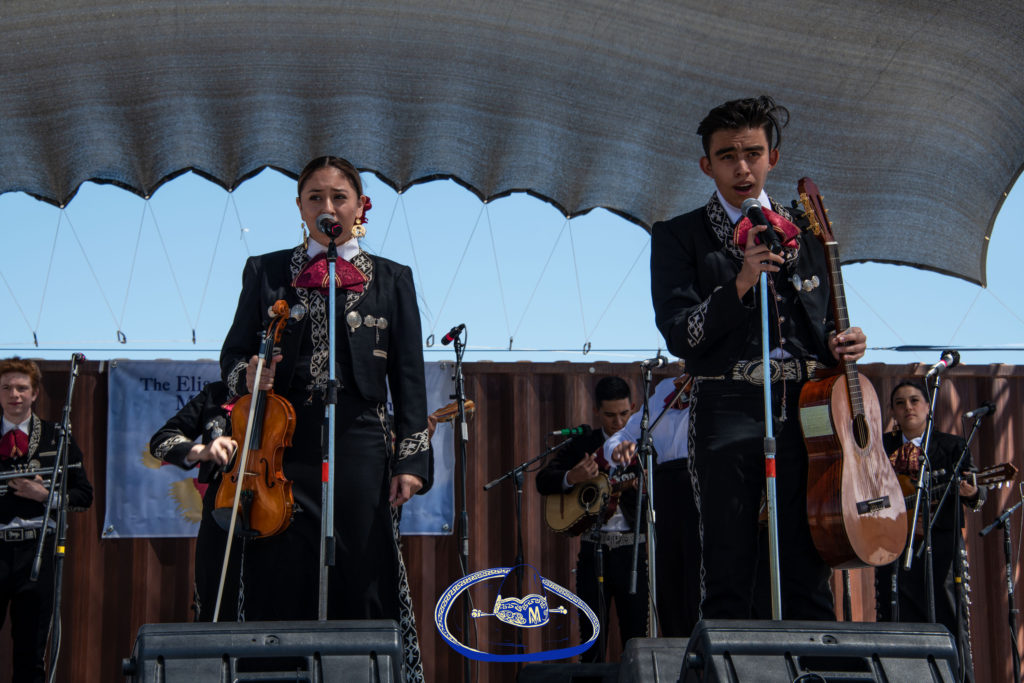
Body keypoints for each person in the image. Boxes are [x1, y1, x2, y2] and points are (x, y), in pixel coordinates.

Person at [650, 96, 867, 620]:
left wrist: (844, 341)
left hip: (808, 402)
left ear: (773, 156)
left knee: (808, 551)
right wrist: (742, 281)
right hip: (725, 402)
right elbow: (681, 334)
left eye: (752, 152)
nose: (741, 167)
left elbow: (826, 320)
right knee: (728, 558)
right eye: (727, 156)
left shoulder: (807, 228)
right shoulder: (680, 235)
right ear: (707, 165)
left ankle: (817, 672)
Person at [219, 156, 432, 682]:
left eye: (339, 196)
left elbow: (409, 379)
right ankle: (275, 671)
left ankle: (363, 672)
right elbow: (230, 358)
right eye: (315, 196)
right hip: (282, 442)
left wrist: (411, 460)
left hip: (360, 437)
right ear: (299, 207)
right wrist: (249, 374)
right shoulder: (266, 272)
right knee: (279, 561)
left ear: (360, 206)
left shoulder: (393, 278)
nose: (327, 206)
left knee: (360, 560)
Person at [876, 379, 984, 682]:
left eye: (914, 401)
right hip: (893, 545)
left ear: (927, 407)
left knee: (950, 618)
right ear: (893, 412)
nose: (908, 407)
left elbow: (978, 493)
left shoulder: (951, 446)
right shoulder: (881, 447)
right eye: (900, 403)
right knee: (896, 617)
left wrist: (971, 494)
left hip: (941, 549)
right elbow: (867, 496)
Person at [535, 376, 644, 662]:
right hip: (592, 550)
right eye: (609, 415)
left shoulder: (643, 444)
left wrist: (640, 479)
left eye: (624, 414)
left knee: (637, 639)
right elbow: (543, 480)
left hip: (634, 552)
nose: (618, 422)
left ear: (633, 408)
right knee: (591, 640)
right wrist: (572, 477)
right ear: (597, 411)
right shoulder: (585, 444)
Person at [0, 358, 93, 683]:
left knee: (30, 654)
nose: (15, 394)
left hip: (36, 552)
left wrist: (45, 497)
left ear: (35, 392)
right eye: (7, 388)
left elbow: (84, 496)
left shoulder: (57, 436)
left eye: (22, 388)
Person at [605, 368, 699, 637]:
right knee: (670, 578)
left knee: (699, 576)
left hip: (706, 480)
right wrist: (618, 449)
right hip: (667, 486)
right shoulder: (665, 390)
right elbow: (623, 436)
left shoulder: (722, 380)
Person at [149, 380, 241, 621]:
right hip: (221, 509)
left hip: (277, 514)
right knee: (215, 601)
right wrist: (202, 451)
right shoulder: (218, 393)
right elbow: (161, 441)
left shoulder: (289, 389)